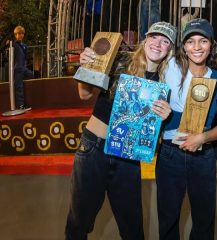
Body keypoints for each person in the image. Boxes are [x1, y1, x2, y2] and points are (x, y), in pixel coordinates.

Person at [65, 21, 176, 240]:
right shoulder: (119, 61)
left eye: (165, 41)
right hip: (94, 149)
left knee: (132, 227)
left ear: (169, 50)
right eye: (154, 37)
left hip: (127, 156)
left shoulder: (165, 82)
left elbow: (151, 131)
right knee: (80, 221)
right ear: (145, 39)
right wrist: (87, 66)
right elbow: (84, 95)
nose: (158, 44)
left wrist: (164, 117)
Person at [156, 18, 217, 240]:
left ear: (211, 46)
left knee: (204, 221)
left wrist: (203, 137)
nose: (197, 47)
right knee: (168, 220)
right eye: (190, 41)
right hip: (170, 153)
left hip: (203, 156)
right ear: (184, 47)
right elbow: (144, 58)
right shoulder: (168, 67)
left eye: (203, 41)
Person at [12, 26, 34, 110]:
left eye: (21, 34)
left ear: (23, 35)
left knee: (32, 75)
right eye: (18, 34)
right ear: (15, 35)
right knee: (19, 86)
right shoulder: (13, 44)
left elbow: (25, 57)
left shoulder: (24, 45)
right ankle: (21, 105)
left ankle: (28, 100)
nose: (19, 35)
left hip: (23, 68)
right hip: (17, 68)